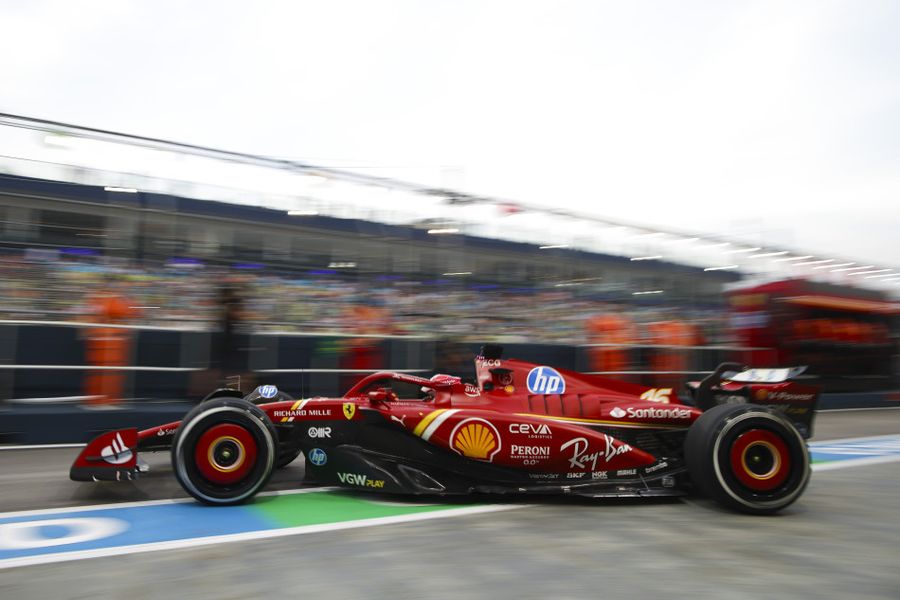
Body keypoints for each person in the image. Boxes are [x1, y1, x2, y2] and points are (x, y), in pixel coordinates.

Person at [82, 275, 139, 406]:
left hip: (103, 339)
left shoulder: (96, 298)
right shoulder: (111, 299)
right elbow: (128, 311)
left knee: (102, 373)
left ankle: (100, 399)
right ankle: (105, 400)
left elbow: (132, 312)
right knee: (108, 373)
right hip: (110, 340)